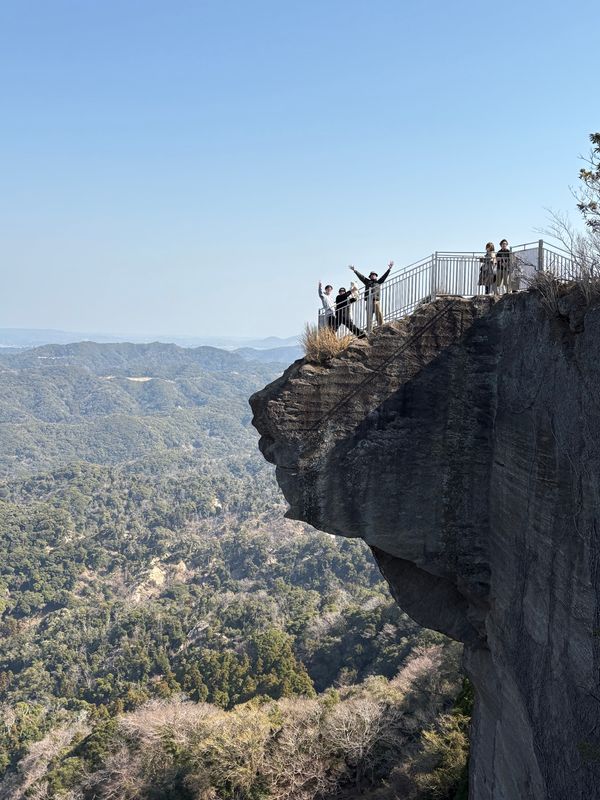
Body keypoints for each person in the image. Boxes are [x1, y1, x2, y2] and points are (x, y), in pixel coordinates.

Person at [349, 261, 394, 328]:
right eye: (372, 275)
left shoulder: (378, 282)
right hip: (368, 301)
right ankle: (369, 328)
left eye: (374, 275)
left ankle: (381, 326)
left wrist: (389, 269)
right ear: (370, 277)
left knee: (378, 313)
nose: (373, 276)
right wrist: (355, 270)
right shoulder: (367, 282)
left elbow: (384, 276)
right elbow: (361, 277)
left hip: (376, 300)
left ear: (376, 276)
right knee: (369, 315)